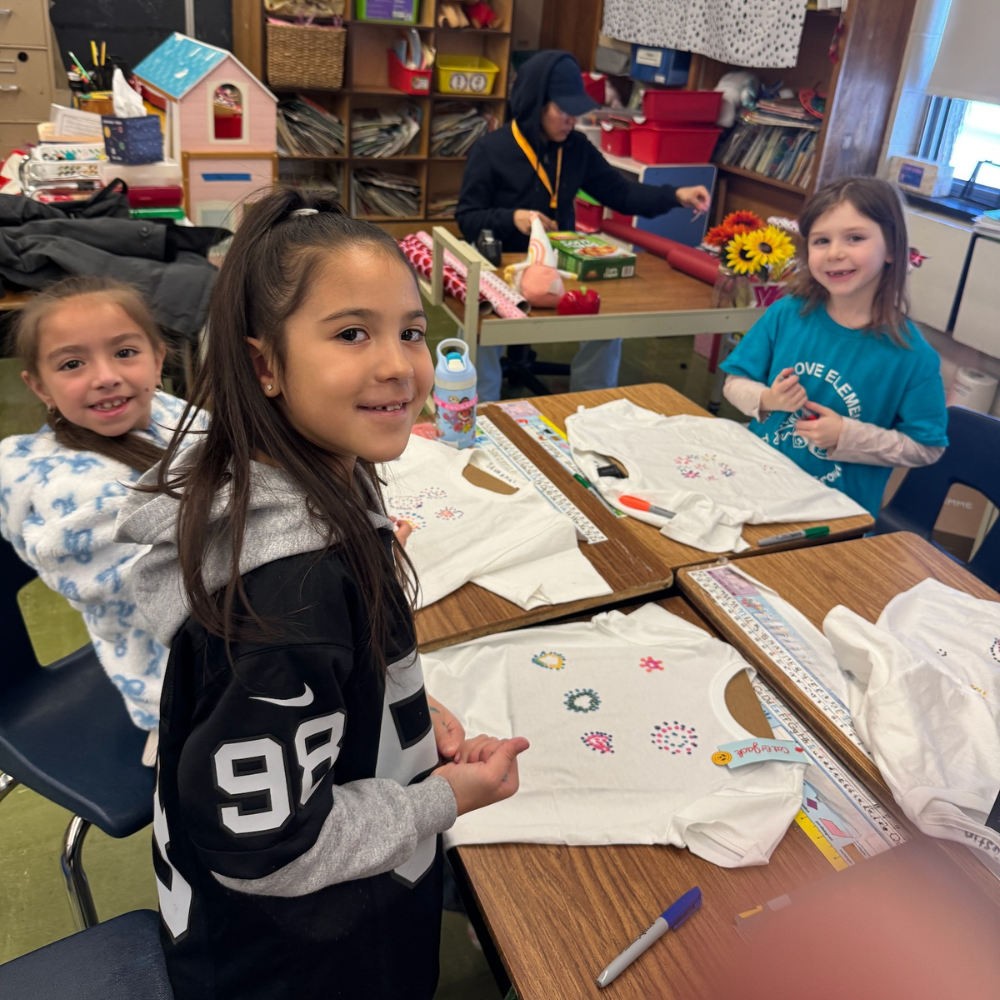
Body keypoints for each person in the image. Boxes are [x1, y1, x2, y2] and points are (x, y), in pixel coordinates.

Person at [115, 190, 530, 1000]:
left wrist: (399, 711)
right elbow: (269, 850)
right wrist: (443, 798)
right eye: (351, 334)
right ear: (265, 365)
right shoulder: (287, 601)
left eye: (411, 331)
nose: (399, 365)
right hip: (305, 962)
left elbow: (313, 691)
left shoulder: (313, 469)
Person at [0, 276, 205, 764]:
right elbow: (148, 584)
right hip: (168, 665)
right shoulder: (58, 487)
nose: (106, 376)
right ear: (40, 386)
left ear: (158, 359)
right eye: (73, 364)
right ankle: (168, 734)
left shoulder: (174, 413)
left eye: (125, 353)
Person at [456, 49, 711, 401]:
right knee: (479, 317)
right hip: (502, 263)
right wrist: (511, 218)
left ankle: (592, 398)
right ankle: (480, 404)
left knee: (609, 319)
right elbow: (468, 218)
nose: (571, 120)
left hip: (561, 262)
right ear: (535, 105)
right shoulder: (490, 150)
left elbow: (621, 194)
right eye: (563, 110)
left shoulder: (576, 149)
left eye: (575, 111)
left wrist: (676, 195)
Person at [719, 177, 948, 516]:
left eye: (855, 238)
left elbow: (927, 447)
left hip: (833, 517)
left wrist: (847, 436)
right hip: (754, 490)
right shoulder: (786, 313)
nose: (835, 253)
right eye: (821, 241)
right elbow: (734, 382)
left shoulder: (913, 356)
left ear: (892, 249)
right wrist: (768, 399)